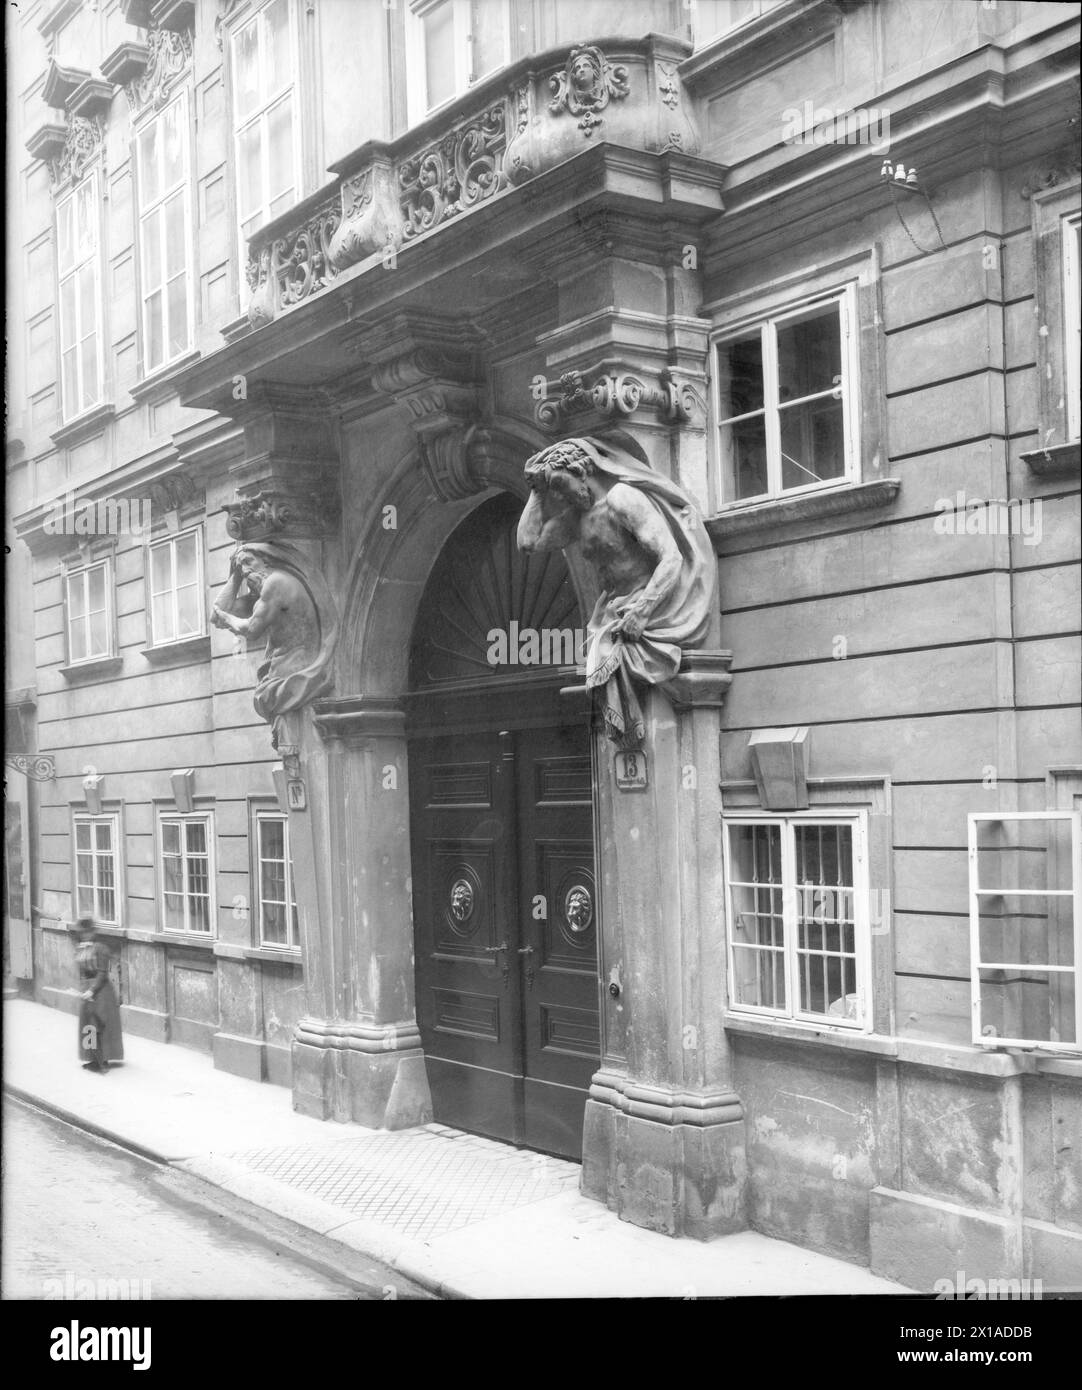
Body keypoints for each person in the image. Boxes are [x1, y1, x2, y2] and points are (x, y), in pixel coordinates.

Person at [73, 918, 123, 1073]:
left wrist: (92, 990)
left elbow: (102, 973)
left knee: (99, 1024)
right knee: (88, 1025)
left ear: (93, 932)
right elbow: (82, 972)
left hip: (101, 991)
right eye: (82, 933)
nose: (85, 935)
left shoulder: (101, 948)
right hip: (87, 989)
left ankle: (103, 1061)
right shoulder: (81, 948)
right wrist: (83, 988)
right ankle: (92, 1058)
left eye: (88, 932)